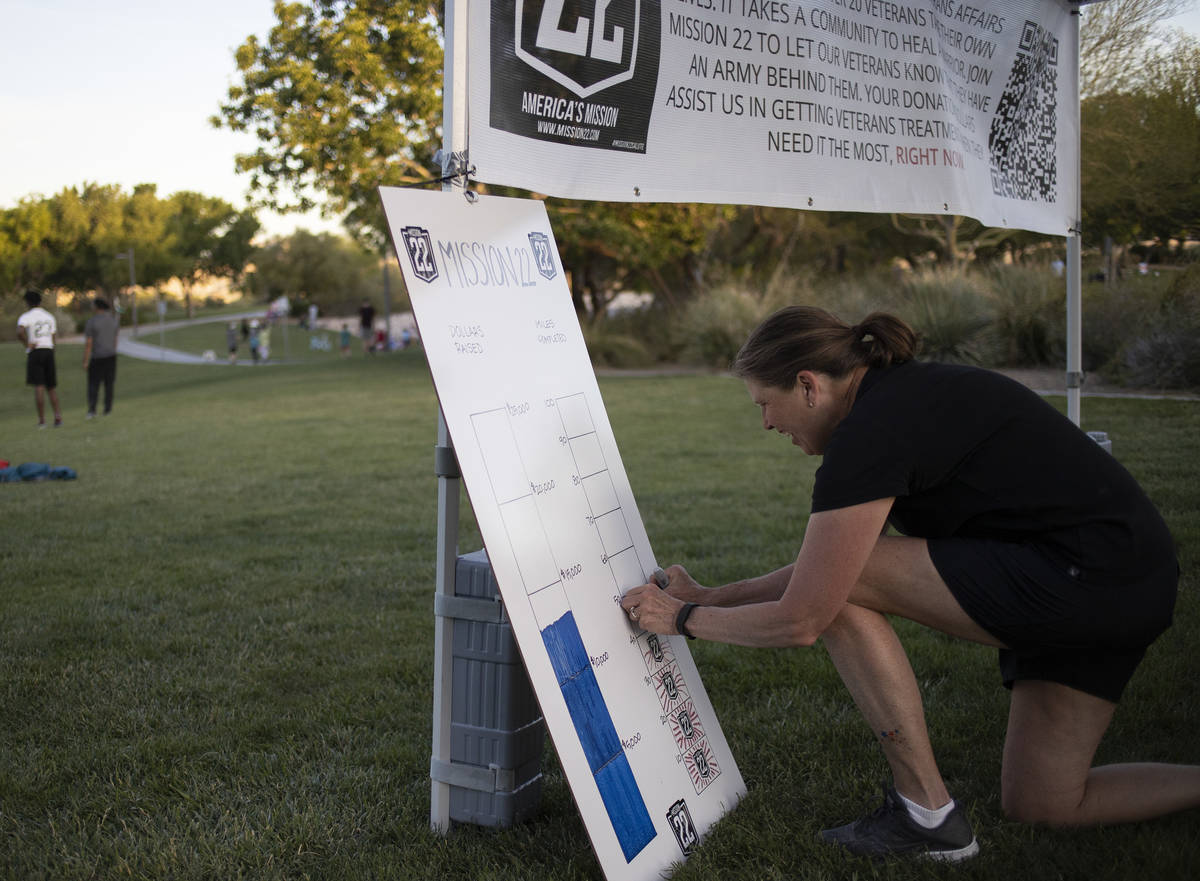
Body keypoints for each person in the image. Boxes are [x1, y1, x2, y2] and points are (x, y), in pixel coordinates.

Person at [620, 306, 1199, 861]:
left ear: (808, 385)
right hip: (1126, 579)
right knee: (1045, 804)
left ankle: (927, 816)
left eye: (765, 404)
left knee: (841, 590)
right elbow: (831, 569)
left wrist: (680, 620)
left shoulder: (872, 431)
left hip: (1092, 578)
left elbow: (805, 617)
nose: (767, 423)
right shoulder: (894, 399)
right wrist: (709, 596)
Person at [16, 289, 63, 428]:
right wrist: (52, 348)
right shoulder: (49, 316)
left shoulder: (26, 316)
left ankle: (42, 420)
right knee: (51, 387)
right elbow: (54, 336)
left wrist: (27, 345)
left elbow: (19, 332)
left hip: (36, 351)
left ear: (28, 302)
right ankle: (58, 417)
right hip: (48, 350)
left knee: (39, 386)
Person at [82, 297, 120, 418]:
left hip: (97, 357)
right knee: (109, 384)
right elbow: (115, 339)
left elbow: (89, 343)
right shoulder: (113, 320)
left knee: (93, 384)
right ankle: (107, 409)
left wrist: (85, 361)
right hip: (111, 356)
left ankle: (92, 410)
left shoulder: (92, 322)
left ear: (97, 307)